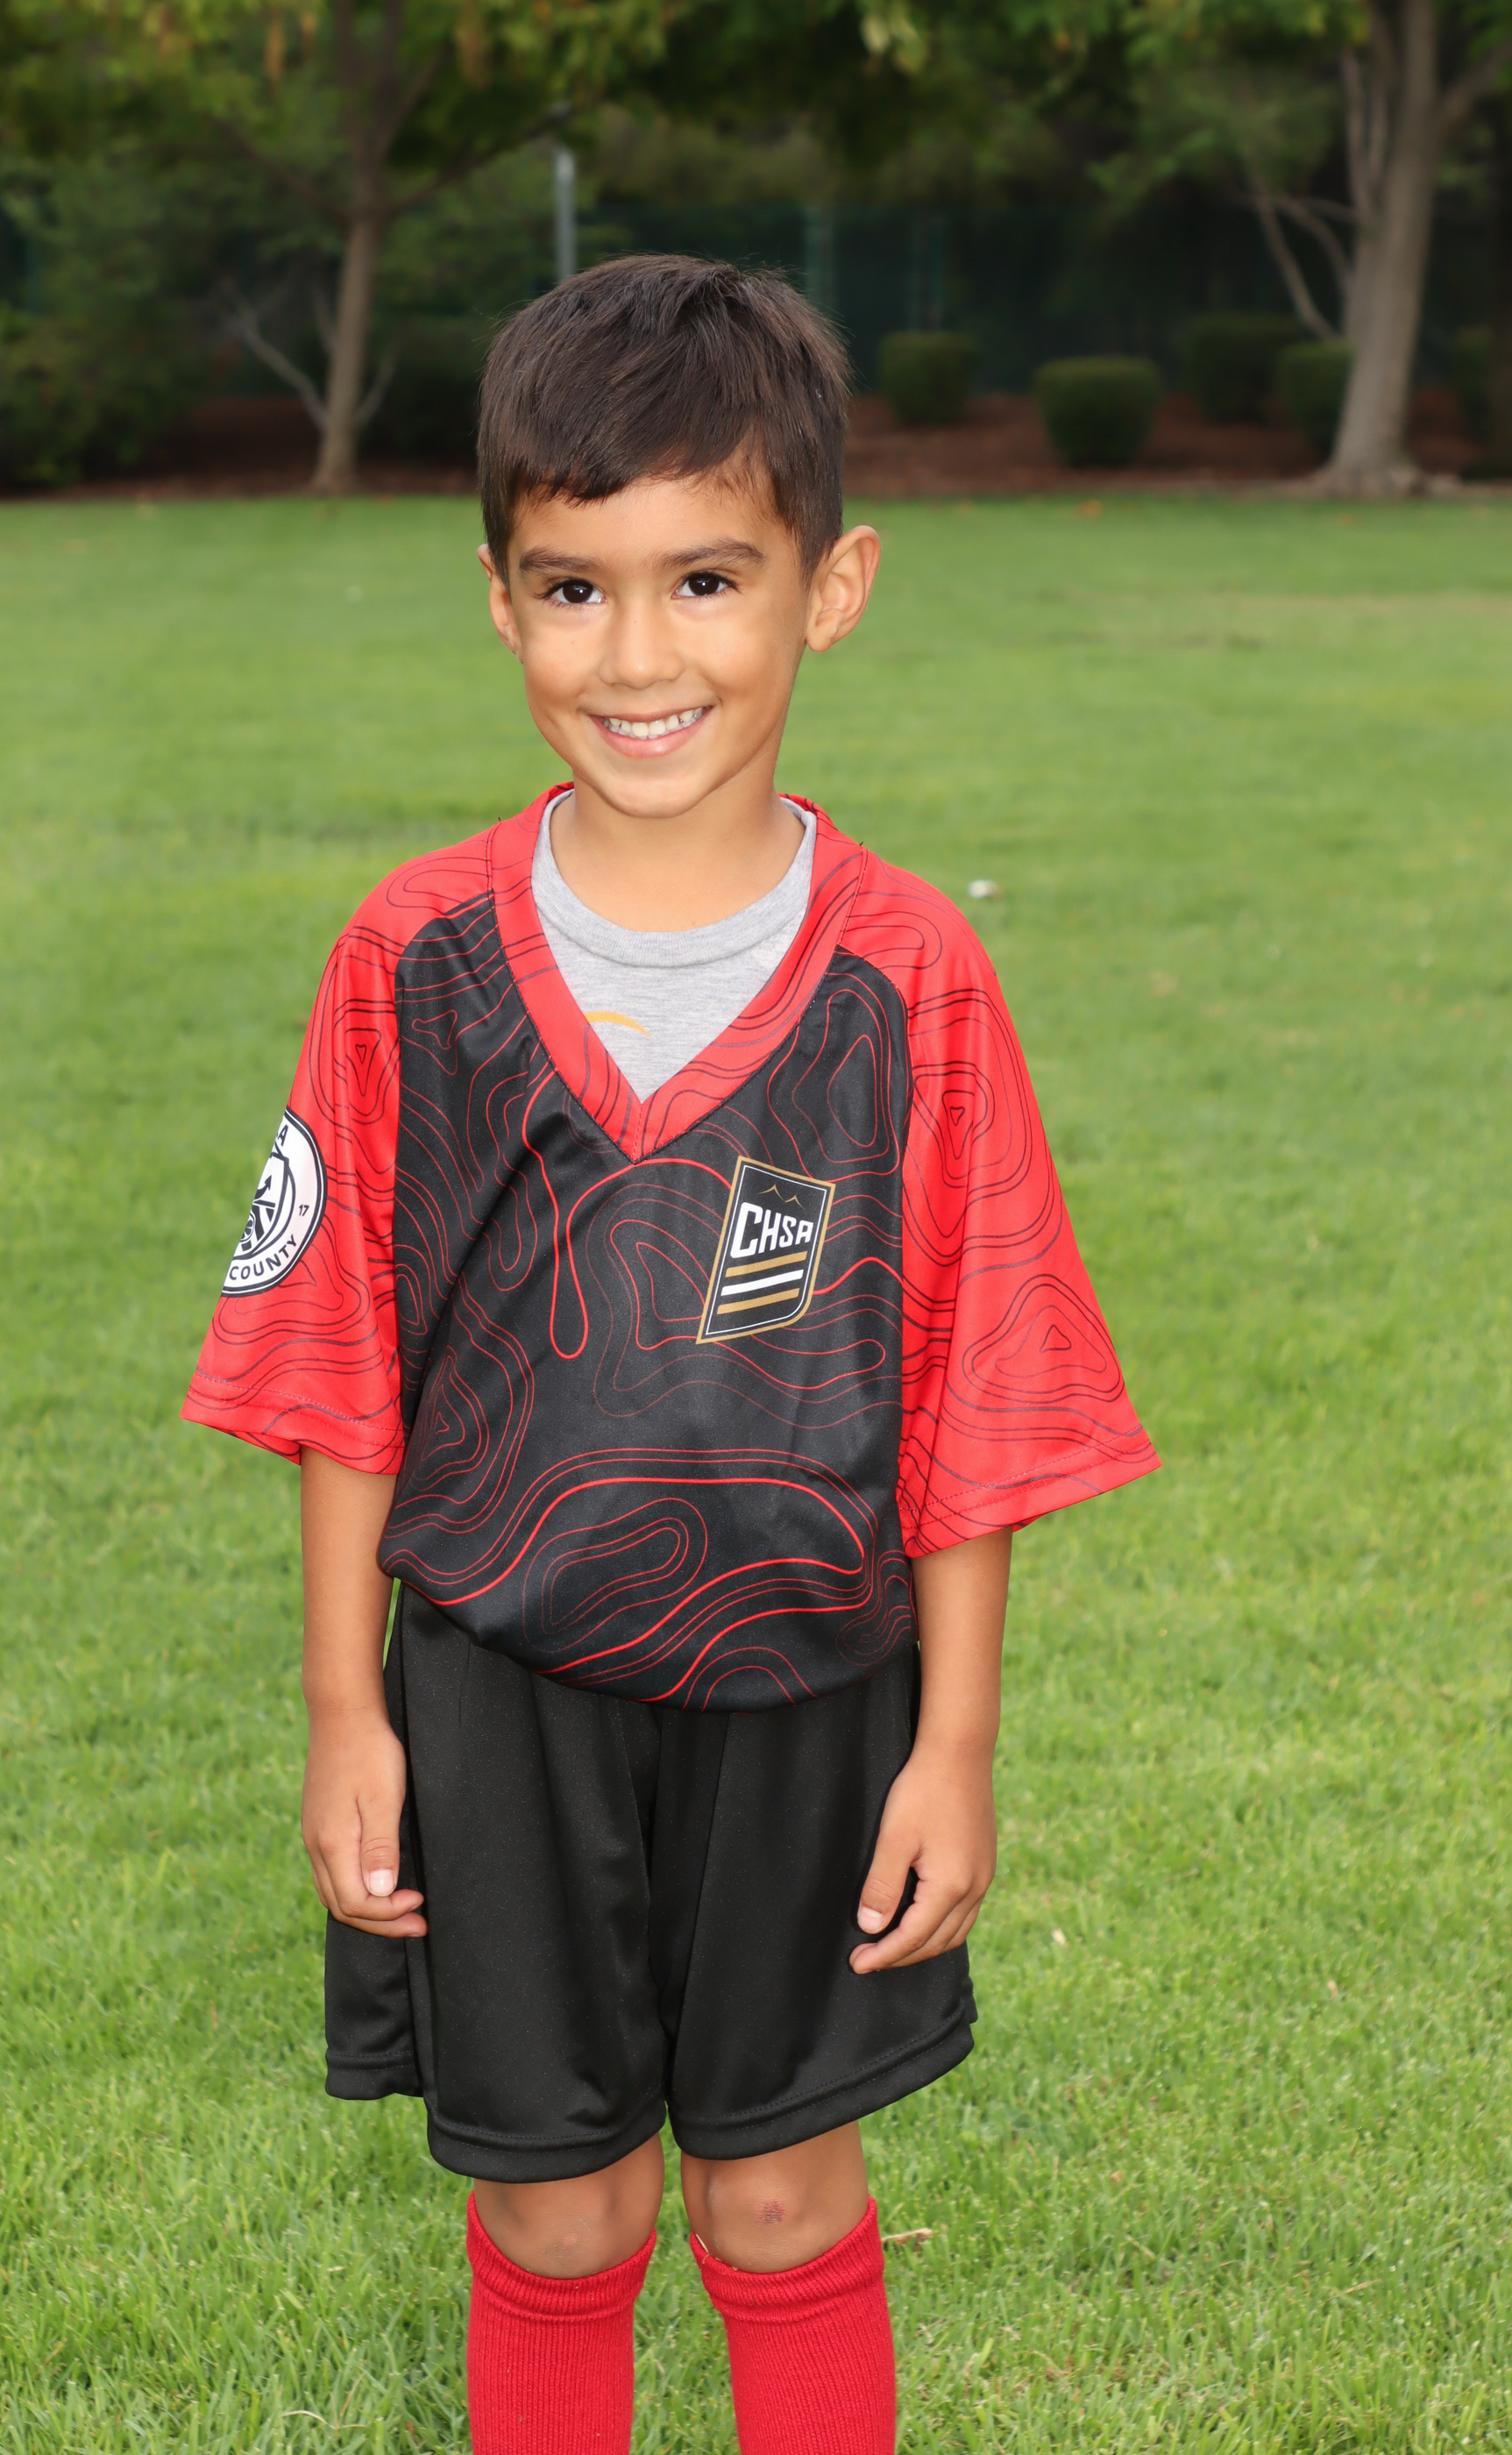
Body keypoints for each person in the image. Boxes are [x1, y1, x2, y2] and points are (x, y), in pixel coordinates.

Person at [183, 255, 1158, 2455]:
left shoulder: (910, 976)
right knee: (554, 2210)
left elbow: (975, 1385)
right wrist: (345, 1705)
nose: (638, 655)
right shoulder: (413, 957)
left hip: (811, 1685)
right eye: (574, 588)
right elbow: (337, 1357)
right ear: (500, 601)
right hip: (496, 1689)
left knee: (785, 2186)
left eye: (706, 579)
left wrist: (958, 1738)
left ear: (832, 588)